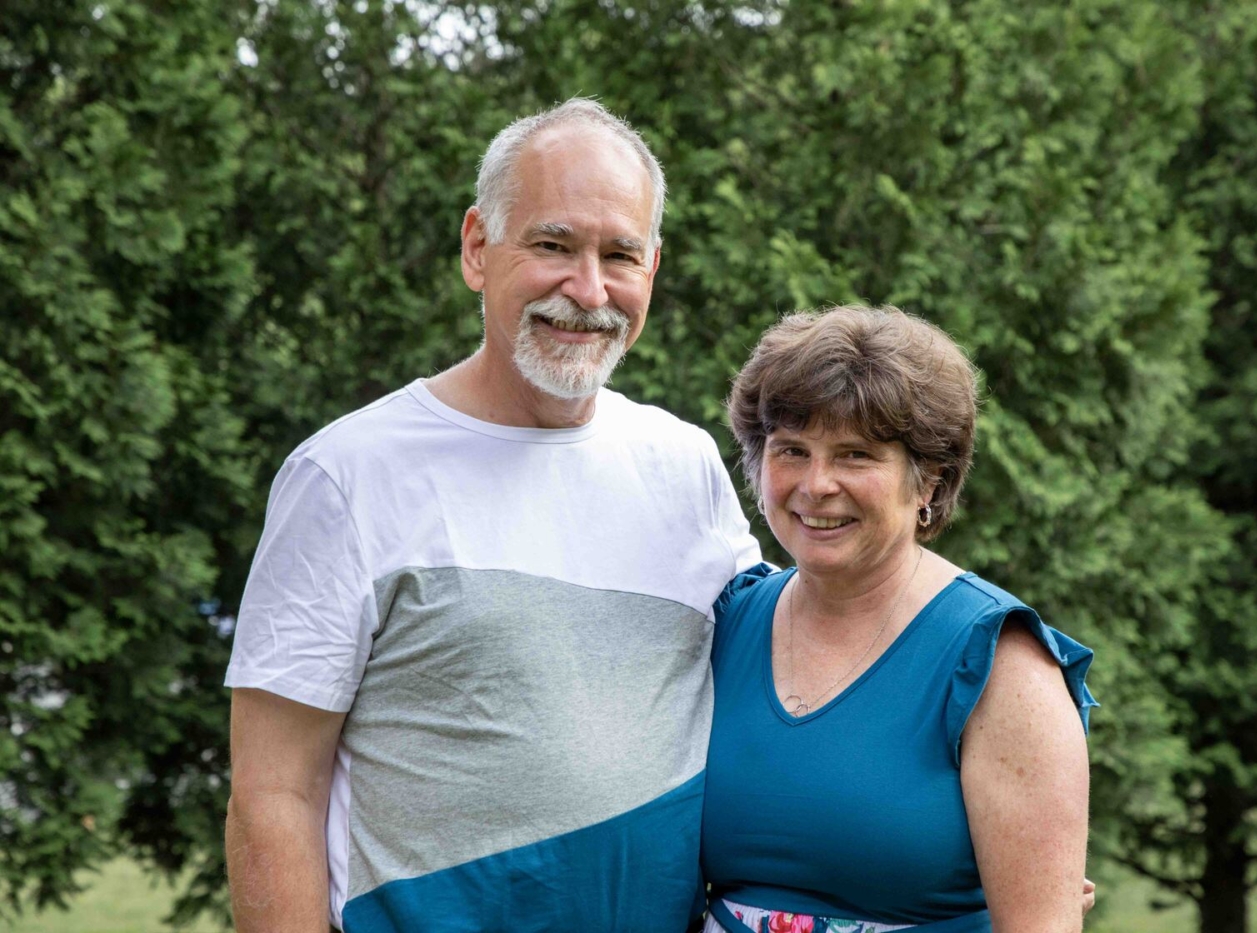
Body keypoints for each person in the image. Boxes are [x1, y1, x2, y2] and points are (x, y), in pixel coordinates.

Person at [223, 99, 761, 933]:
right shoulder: (346, 475)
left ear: (653, 267)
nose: (588, 291)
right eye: (553, 245)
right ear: (478, 247)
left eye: (619, 254)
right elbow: (272, 795)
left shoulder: (685, 465)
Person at [701, 305, 1096, 933]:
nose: (817, 484)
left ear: (930, 484)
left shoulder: (999, 664)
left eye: (855, 455)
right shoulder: (726, 623)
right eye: (792, 450)